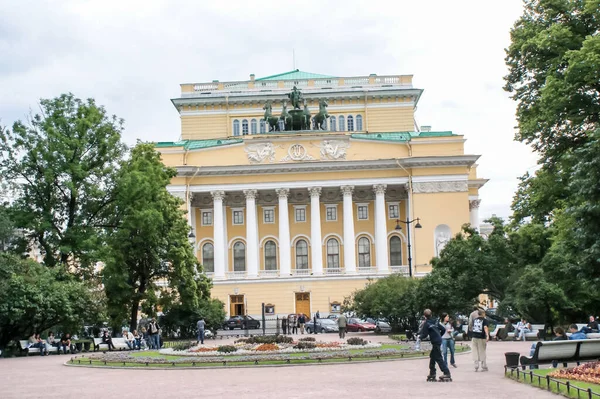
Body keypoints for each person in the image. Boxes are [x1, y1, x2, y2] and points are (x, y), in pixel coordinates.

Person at [419, 309, 452, 382]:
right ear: (431, 314)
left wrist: (419, 337)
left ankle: (446, 372)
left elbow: (424, 334)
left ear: (424, 316)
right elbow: (443, 329)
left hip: (435, 341)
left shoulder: (427, 323)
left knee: (438, 358)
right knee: (433, 356)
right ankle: (432, 372)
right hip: (438, 340)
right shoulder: (435, 321)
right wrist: (439, 335)